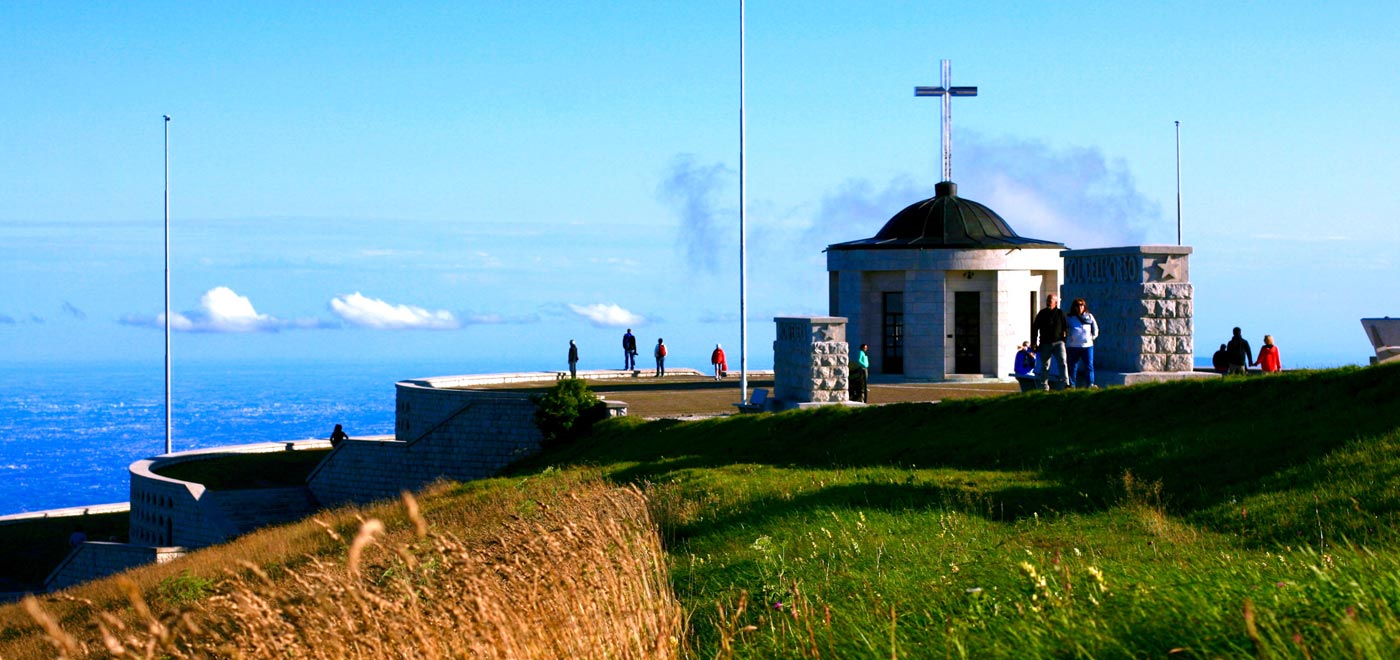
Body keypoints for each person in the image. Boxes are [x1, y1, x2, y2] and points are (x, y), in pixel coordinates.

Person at [1030, 293, 1069, 391]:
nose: (1048, 303)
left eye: (1050, 301)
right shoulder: (1042, 314)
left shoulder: (1061, 313)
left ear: (1055, 302)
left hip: (1059, 343)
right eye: (1047, 300)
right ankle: (1044, 386)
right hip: (1045, 343)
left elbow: (1066, 327)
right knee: (1045, 365)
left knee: (1062, 362)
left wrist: (1064, 339)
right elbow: (1035, 328)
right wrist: (1034, 342)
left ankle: (1065, 383)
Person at [1065, 298, 1100, 389]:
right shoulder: (1069, 318)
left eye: (1082, 305)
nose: (1080, 307)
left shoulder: (1089, 316)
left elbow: (1095, 328)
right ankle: (1072, 385)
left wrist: (1092, 337)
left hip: (1087, 346)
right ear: (1074, 307)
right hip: (1073, 346)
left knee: (1089, 366)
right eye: (1078, 305)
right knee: (1073, 366)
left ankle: (1090, 384)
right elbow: (1065, 329)